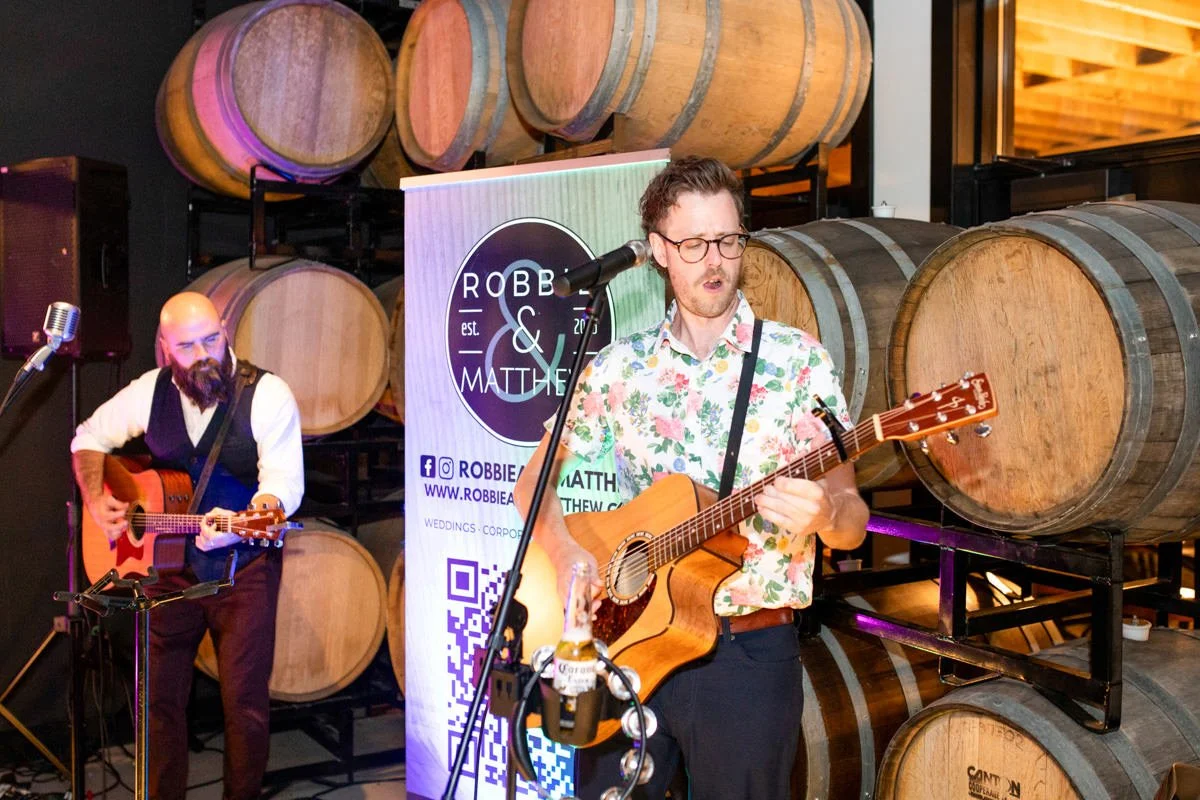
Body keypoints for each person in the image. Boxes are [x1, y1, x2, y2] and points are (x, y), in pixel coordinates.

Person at [514, 156, 868, 799]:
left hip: (747, 658)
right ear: (656, 251)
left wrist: (824, 516)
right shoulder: (619, 369)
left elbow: (851, 517)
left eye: (729, 241)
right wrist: (566, 552)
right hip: (627, 643)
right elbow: (530, 485)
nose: (715, 261)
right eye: (694, 243)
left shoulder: (797, 364)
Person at [71, 292, 304, 800]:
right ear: (163, 349)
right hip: (167, 572)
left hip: (243, 568)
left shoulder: (267, 394)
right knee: (156, 703)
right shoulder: (148, 391)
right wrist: (95, 500)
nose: (203, 355)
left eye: (211, 339)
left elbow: (284, 485)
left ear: (225, 330)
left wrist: (244, 521)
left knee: (243, 706)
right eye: (187, 346)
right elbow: (87, 438)